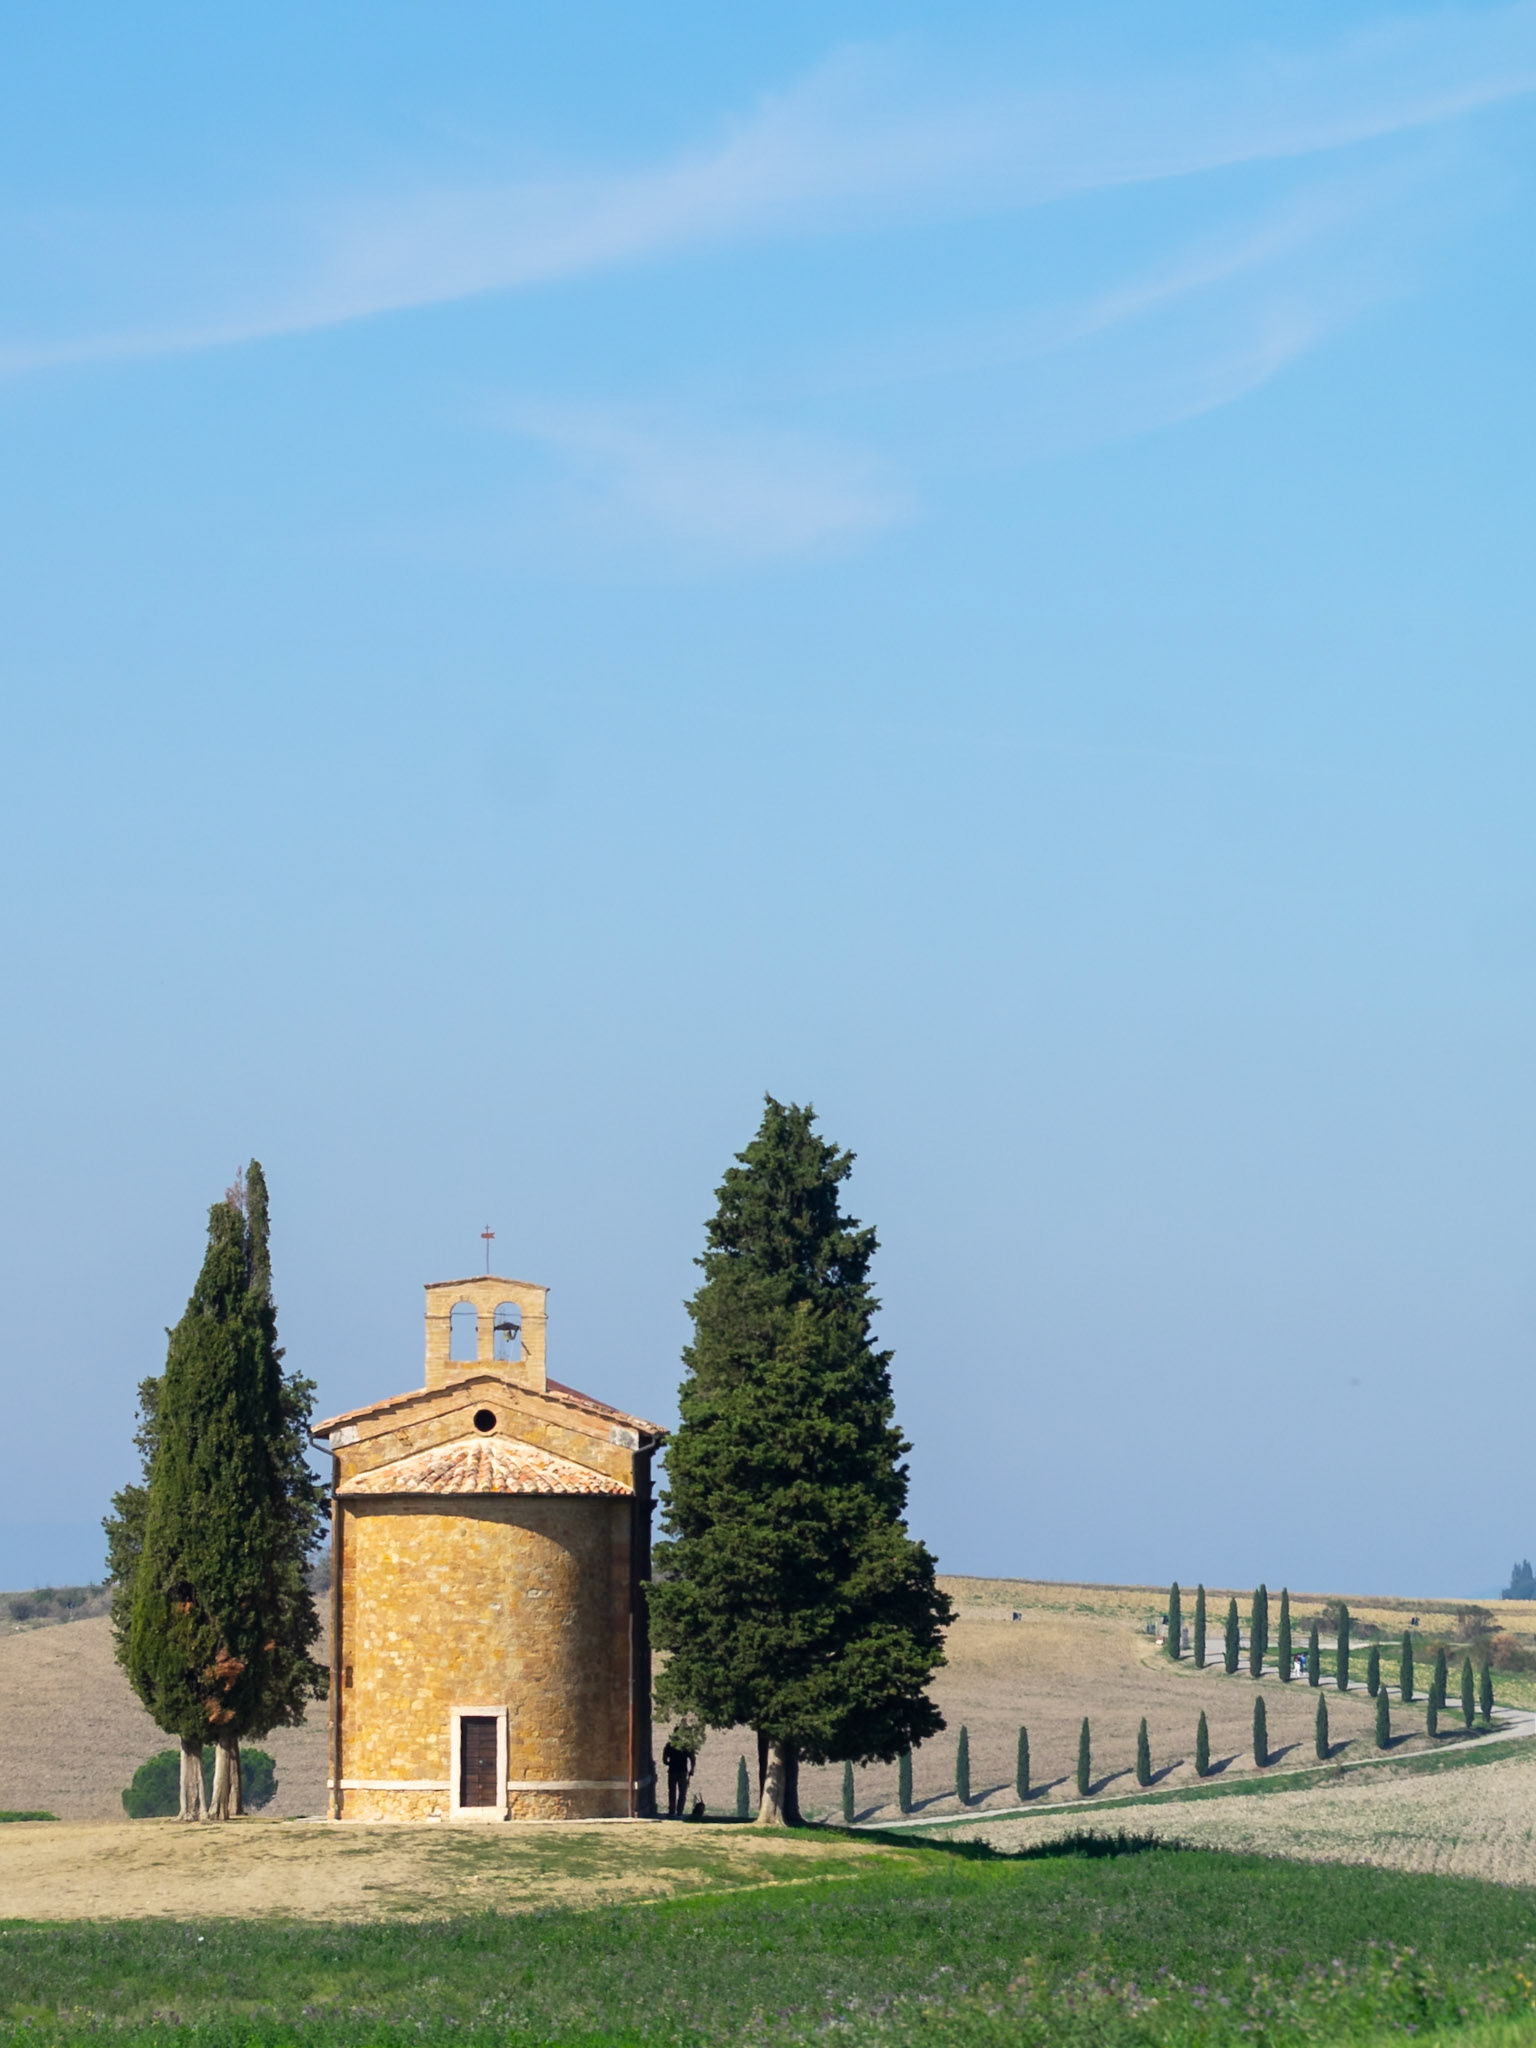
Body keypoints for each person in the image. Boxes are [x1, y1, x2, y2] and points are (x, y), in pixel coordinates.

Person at [662, 1738, 693, 1819]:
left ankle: (671, 1812)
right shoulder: (686, 1745)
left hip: (672, 1771)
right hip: (682, 1771)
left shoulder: (669, 1745)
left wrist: (669, 1763)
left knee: (672, 1792)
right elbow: (692, 1758)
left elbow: (664, 1759)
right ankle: (679, 1812)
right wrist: (692, 1769)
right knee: (682, 1792)